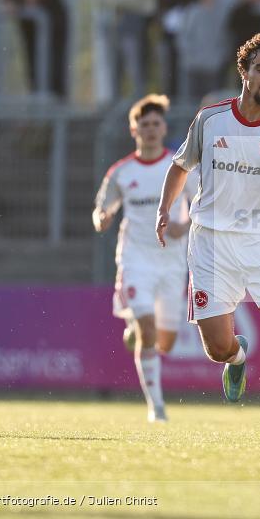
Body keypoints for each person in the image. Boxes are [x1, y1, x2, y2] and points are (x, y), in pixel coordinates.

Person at [156, 31, 260, 439]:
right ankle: (237, 357)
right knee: (217, 348)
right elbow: (180, 166)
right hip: (210, 242)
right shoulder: (210, 119)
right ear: (243, 72)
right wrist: (164, 209)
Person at [93, 94, 193, 423]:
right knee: (149, 330)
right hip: (135, 259)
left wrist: (184, 226)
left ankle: (136, 328)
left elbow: (201, 206)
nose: (150, 129)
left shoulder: (178, 167)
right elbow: (102, 209)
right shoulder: (121, 172)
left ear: (164, 128)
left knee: (165, 342)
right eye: (144, 124)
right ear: (133, 129)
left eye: (155, 124)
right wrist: (102, 219)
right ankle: (156, 407)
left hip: (171, 261)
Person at [3, 0, 68, 98]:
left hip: (53, 33)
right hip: (30, 32)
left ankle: (56, 105)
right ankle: (37, 105)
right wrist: (12, 4)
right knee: (33, 69)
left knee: (53, 68)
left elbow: (33, 0)